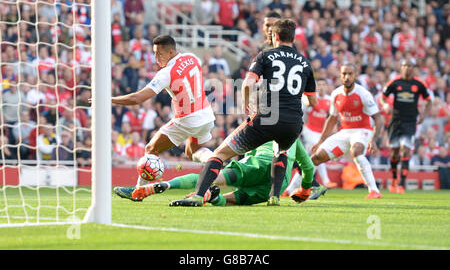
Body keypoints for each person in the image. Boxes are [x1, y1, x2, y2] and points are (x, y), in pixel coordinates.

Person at [170, 18, 317, 207]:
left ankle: (198, 195)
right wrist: (295, 98)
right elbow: (312, 101)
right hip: (293, 123)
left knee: (220, 154)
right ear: (293, 37)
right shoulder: (305, 64)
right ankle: (274, 197)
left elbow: (248, 83)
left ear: (275, 36)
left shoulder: (266, 56)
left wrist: (247, 105)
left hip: (268, 116)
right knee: (280, 152)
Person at [110, 35, 216, 187]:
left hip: (187, 119)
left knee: (151, 148)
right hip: (206, 115)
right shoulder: (192, 57)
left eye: (159, 54)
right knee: (191, 153)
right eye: (154, 53)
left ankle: (139, 190)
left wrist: (110, 99)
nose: (155, 58)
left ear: (171, 52)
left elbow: (137, 98)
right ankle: (216, 161)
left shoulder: (166, 73)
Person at [115, 139, 315, 206]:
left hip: (258, 164)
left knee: (212, 177)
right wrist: (305, 190)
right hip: (276, 186)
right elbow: (309, 167)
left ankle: (163, 185)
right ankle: (210, 197)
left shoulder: (260, 129)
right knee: (229, 201)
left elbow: (241, 151)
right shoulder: (294, 139)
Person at [309, 63, 383, 199]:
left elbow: (378, 118)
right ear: (340, 75)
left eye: (350, 74)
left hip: (362, 131)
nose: (347, 77)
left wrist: (374, 139)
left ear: (355, 75)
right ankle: (302, 189)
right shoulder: (336, 94)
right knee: (315, 158)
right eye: (344, 74)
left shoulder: (363, 94)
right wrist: (320, 141)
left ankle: (374, 191)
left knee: (357, 152)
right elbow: (331, 119)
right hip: (344, 133)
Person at [379, 59, 432, 194]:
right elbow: (382, 97)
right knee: (394, 153)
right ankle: (394, 178)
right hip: (395, 121)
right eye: (404, 66)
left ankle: (402, 183)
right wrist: (385, 105)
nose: (407, 68)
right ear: (401, 68)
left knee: (405, 150)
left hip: (410, 122)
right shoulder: (395, 82)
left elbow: (428, 100)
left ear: (413, 68)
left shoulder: (419, 84)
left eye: (409, 66)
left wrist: (424, 114)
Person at [282, 78, 336, 198]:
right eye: (319, 85)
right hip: (309, 130)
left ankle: (290, 188)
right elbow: (302, 115)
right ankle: (326, 180)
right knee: (315, 155)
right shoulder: (310, 99)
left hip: (320, 133)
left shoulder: (329, 100)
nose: (321, 87)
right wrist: (300, 131)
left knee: (307, 162)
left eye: (323, 85)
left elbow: (331, 118)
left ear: (327, 87)